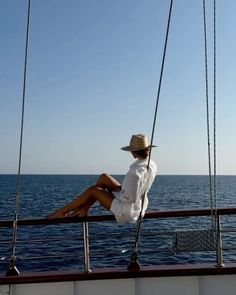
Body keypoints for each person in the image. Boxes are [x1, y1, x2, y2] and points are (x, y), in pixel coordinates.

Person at [47, 134, 157, 223]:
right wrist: (118, 189)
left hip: (127, 211)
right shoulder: (152, 165)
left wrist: (114, 192)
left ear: (133, 152)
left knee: (93, 191)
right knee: (104, 177)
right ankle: (83, 209)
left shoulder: (134, 172)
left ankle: (61, 212)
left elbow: (129, 198)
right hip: (137, 204)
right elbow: (136, 189)